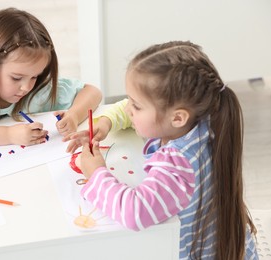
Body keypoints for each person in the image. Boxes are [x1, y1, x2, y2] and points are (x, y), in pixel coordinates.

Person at [64, 41, 258, 259]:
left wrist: (96, 173)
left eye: (136, 106)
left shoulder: (178, 164)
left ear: (177, 117)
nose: (128, 109)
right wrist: (107, 122)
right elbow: (143, 111)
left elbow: (135, 213)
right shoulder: (205, 118)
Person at [0, 7, 102, 149]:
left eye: (35, 76)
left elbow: (92, 92)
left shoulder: (39, 90)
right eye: (16, 78)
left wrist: (73, 115)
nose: (27, 87)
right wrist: (8, 135)